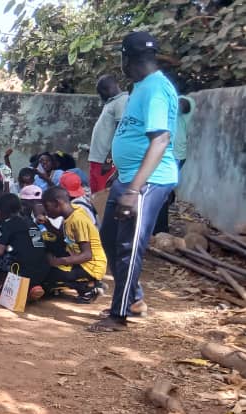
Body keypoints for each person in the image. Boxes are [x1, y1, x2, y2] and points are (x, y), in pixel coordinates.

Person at [92, 31, 180, 333]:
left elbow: (160, 140)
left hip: (148, 181)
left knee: (128, 246)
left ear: (126, 59)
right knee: (108, 237)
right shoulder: (141, 87)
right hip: (128, 177)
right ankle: (134, 298)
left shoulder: (156, 89)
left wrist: (133, 189)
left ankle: (119, 313)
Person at [42, 187, 108, 303]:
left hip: (91, 266)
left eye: (47, 207)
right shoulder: (70, 213)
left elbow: (87, 255)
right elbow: (62, 237)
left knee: (48, 274)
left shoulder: (77, 220)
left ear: (57, 203)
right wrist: (47, 224)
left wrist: (58, 261)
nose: (46, 212)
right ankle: (86, 282)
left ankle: (88, 287)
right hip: (80, 259)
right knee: (47, 244)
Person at [0, 194, 49, 299]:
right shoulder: (31, 223)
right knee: (20, 252)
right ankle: (33, 286)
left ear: (0, 212)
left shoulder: (9, 224)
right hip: (42, 271)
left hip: (21, 272)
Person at [154, 95, 198, 234]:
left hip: (175, 155)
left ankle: (160, 229)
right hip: (166, 153)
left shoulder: (187, 102)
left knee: (160, 191)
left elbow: (182, 106)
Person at [88, 75, 129, 194]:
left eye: (101, 93)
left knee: (102, 196)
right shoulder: (112, 102)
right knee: (95, 196)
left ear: (108, 89)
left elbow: (120, 132)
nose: (101, 96)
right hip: (98, 159)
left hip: (105, 161)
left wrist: (109, 160)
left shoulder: (122, 101)